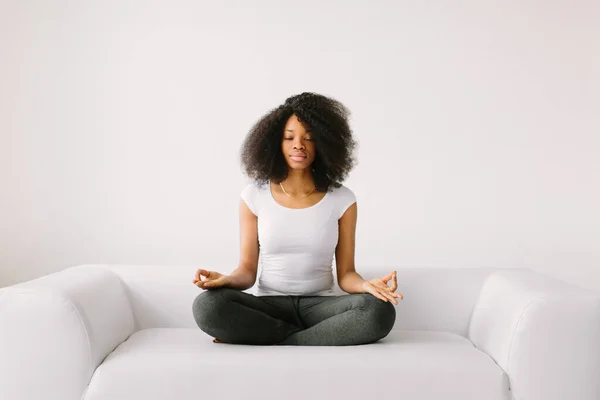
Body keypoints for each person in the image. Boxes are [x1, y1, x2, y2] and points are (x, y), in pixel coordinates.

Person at [191, 92, 403, 346]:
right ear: (275, 143)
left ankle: (277, 337)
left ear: (323, 144)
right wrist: (226, 279)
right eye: (289, 138)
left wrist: (367, 286)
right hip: (268, 306)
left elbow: (346, 275)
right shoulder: (253, 196)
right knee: (208, 306)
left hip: (321, 307)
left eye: (309, 138)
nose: (299, 145)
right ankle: (316, 337)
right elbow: (247, 272)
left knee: (378, 311)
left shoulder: (342, 199)